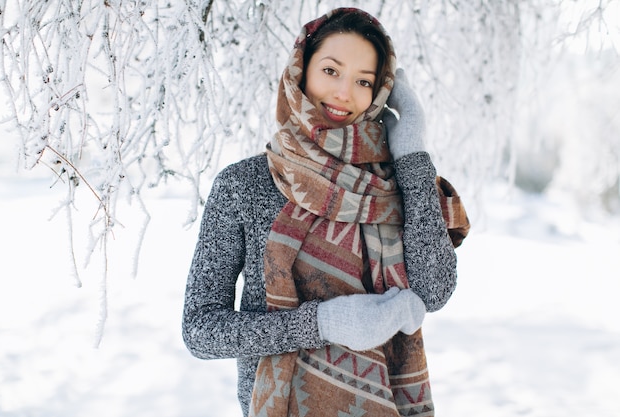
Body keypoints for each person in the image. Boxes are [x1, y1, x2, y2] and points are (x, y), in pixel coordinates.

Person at [182, 7, 467, 417]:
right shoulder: (243, 185)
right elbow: (201, 331)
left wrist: (413, 156)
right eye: (331, 71)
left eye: (363, 81)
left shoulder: (398, 184)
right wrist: (321, 324)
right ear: (301, 70)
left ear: (380, 92)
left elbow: (435, 290)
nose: (343, 93)